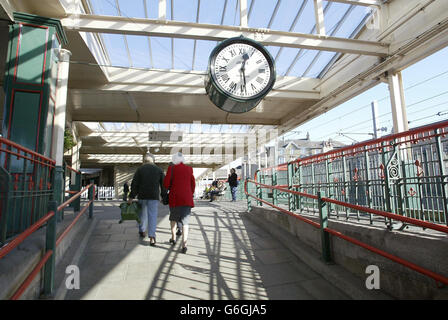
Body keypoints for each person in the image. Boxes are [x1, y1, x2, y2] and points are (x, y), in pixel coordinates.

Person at [128, 152, 167, 246]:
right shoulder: (158, 170)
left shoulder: (140, 169)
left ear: (144, 161)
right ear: (153, 160)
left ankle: (142, 231)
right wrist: (164, 197)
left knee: (142, 215)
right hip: (153, 197)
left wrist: (131, 196)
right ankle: (152, 237)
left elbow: (134, 184)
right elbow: (163, 185)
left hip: (142, 196)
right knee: (152, 216)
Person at [164, 152, 195, 254]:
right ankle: (184, 245)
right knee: (185, 222)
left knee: (173, 218)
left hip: (175, 198)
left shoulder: (172, 169)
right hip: (186, 198)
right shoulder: (189, 169)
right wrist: (190, 193)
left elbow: (166, 183)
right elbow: (193, 184)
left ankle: (173, 238)